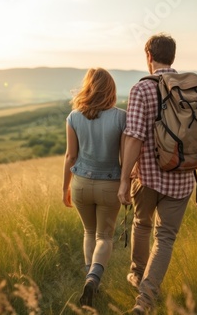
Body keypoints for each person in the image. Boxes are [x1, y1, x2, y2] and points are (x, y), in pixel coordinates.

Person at [118, 33, 197, 314]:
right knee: (165, 239)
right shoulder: (195, 88)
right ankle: (145, 302)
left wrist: (124, 179)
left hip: (147, 177)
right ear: (173, 56)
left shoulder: (141, 89)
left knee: (142, 223)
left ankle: (137, 276)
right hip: (184, 178)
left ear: (149, 56)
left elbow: (134, 136)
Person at [62, 68, 126, 308]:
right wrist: (127, 182)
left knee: (89, 233)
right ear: (111, 90)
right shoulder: (122, 117)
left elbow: (70, 156)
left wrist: (64, 188)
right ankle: (93, 279)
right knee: (104, 236)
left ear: (87, 87)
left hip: (80, 184)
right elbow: (124, 156)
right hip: (110, 184)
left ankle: (91, 283)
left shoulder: (74, 117)